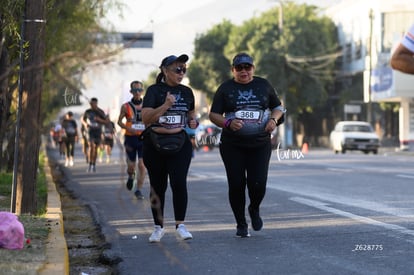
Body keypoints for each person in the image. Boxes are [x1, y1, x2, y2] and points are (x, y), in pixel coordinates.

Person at [209, 52, 286, 238]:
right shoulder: (225, 88)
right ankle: (241, 223)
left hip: (260, 144)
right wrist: (227, 123)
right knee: (236, 184)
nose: (244, 71)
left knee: (258, 184)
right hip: (232, 145)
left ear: (253, 68)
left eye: (247, 67)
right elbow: (214, 114)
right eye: (239, 68)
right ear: (233, 70)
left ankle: (254, 208)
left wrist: (274, 121)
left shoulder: (263, 85)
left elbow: (278, 107)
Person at [141, 54, 198, 242]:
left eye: (183, 69)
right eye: (177, 69)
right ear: (165, 71)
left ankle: (180, 225)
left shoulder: (187, 92)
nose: (181, 73)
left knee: (179, 183)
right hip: (154, 143)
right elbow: (146, 118)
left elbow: (191, 114)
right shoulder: (154, 91)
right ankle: (158, 227)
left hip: (180, 143)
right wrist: (165, 105)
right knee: (158, 186)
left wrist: (193, 121)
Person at [117, 80, 147, 199]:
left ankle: (138, 190)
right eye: (135, 90)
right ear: (131, 92)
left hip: (143, 138)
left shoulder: (147, 105)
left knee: (142, 165)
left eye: (139, 90)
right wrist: (128, 128)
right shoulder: (125, 106)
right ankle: (130, 176)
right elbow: (119, 122)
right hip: (130, 138)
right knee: (131, 165)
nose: (137, 92)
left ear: (142, 91)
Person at [81, 98, 108, 172]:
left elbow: (106, 121)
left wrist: (100, 120)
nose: (92, 105)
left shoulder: (100, 112)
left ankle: (93, 164)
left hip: (98, 131)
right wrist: (85, 123)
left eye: (93, 104)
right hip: (90, 131)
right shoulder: (87, 111)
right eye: (91, 104)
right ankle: (90, 164)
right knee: (91, 146)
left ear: (96, 103)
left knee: (95, 148)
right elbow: (82, 119)